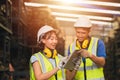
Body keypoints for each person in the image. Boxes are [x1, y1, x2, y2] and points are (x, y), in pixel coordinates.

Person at [66, 16, 106, 80]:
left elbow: (102, 63)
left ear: (89, 31)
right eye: (78, 32)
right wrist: (73, 66)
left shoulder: (98, 43)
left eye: (83, 33)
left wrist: (90, 55)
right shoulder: (71, 47)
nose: (80, 35)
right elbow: (68, 77)